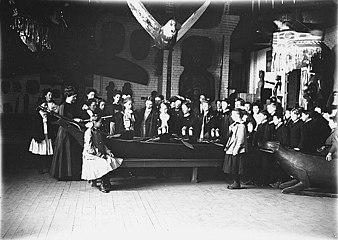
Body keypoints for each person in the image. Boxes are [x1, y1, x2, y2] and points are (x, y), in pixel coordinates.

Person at [82, 115, 123, 193]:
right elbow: (89, 148)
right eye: (100, 122)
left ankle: (106, 182)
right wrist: (100, 155)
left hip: (99, 153)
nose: (101, 124)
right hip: (91, 155)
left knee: (112, 160)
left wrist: (108, 151)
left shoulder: (97, 131)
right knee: (104, 164)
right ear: (94, 122)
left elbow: (102, 144)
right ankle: (103, 184)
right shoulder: (89, 132)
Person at [50, 86, 83, 180]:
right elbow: (62, 121)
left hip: (72, 131)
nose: (75, 99)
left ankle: (72, 174)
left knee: (72, 152)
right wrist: (74, 120)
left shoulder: (73, 106)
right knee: (66, 152)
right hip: (65, 132)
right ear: (68, 95)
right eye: (74, 97)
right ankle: (63, 175)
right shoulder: (63, 106)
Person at [29, 89, 59, 174]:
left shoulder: (48, 115)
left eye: (46, 107)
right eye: (43, 107)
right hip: (40, 135)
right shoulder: (37, 116)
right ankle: (40, 168)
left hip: (47, 134)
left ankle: (48, 167)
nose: (45, 108)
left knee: (46, 151)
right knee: (39, 151)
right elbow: (35, 127)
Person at [223, 109, 248, 189]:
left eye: (233, 115)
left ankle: (236, 183)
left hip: (236, 150)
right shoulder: (234, 124)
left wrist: (236, 150)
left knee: (236, 167)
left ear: (238, 115)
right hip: (232, 148)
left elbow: (241, 139)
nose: (231, 116)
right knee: (232, 167)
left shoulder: (241, 126)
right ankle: (235, 182)